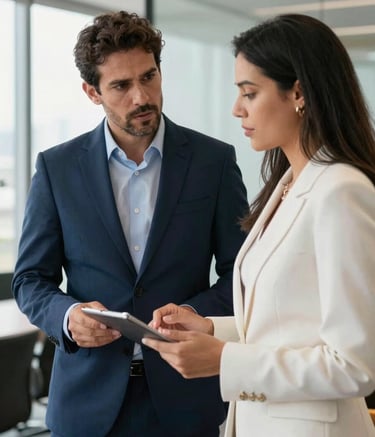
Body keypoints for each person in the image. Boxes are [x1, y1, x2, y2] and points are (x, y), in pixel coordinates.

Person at [12, 10, 248, 437]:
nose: (142, 96)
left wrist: (194, 313)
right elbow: (30, 279)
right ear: (92, 91)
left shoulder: (213, 161)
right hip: (86, 404)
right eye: (121, 85)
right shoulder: (57, 168)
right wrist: (68, 316)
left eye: (149, 76)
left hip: (186, 396)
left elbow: (243, 274)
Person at [143, 14, 375, 437]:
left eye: (249, 93)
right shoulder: (288, 182)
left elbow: (354, 364)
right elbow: (291, 322)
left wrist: (224, 359)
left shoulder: (341, 192)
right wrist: (212, 328)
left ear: (299, 93)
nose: (237, 109)